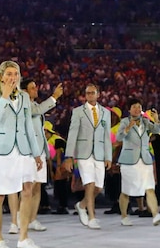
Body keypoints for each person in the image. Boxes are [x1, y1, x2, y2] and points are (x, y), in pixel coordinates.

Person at [0, 60, 44, 248]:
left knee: (27, 190)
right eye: (9, 74)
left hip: (22, 150)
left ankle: (23, 237)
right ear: (1, 76)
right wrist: (5, 96)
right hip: (0, 151)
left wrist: (36, 154)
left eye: (15, 74)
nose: (13, 77)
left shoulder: (24, 97)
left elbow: (28, 126)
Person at [63, 84, 112, 230]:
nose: (89, 95)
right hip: (83, 153)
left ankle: (81, 205)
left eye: (92, 93)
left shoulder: (105, 113)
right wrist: (69, 156)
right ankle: (92, 217)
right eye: (87, 93)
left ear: (98, 94)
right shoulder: (78, 112)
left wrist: (108, 156)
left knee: (98, 187)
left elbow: (107, 136)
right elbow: (72, 134)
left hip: (99, 154)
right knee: (89, 184)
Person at [116, 98, 160, 227]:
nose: (137, 109)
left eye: (139, 107)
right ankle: (124, 216)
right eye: (134, 107)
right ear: (129, 109)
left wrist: (156, 119)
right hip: (129, 161)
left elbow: (156, 130)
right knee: (126, 191)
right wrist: (128, 128)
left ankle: (155, 215)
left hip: (145, 159)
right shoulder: (124, 122)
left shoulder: (145, 122)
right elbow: (118, 137)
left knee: (150, 188)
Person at [22, 78, 64, 232]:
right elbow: (37, 111)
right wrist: (54, 97)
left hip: (39, 150)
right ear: (24, 91)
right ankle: (23, 219)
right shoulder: (23, 103)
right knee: (28, 187)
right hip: (28, 152)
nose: (36, 89)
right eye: (32, 87)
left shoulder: (33, 104)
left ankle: (32, 219)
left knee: (38, 186)